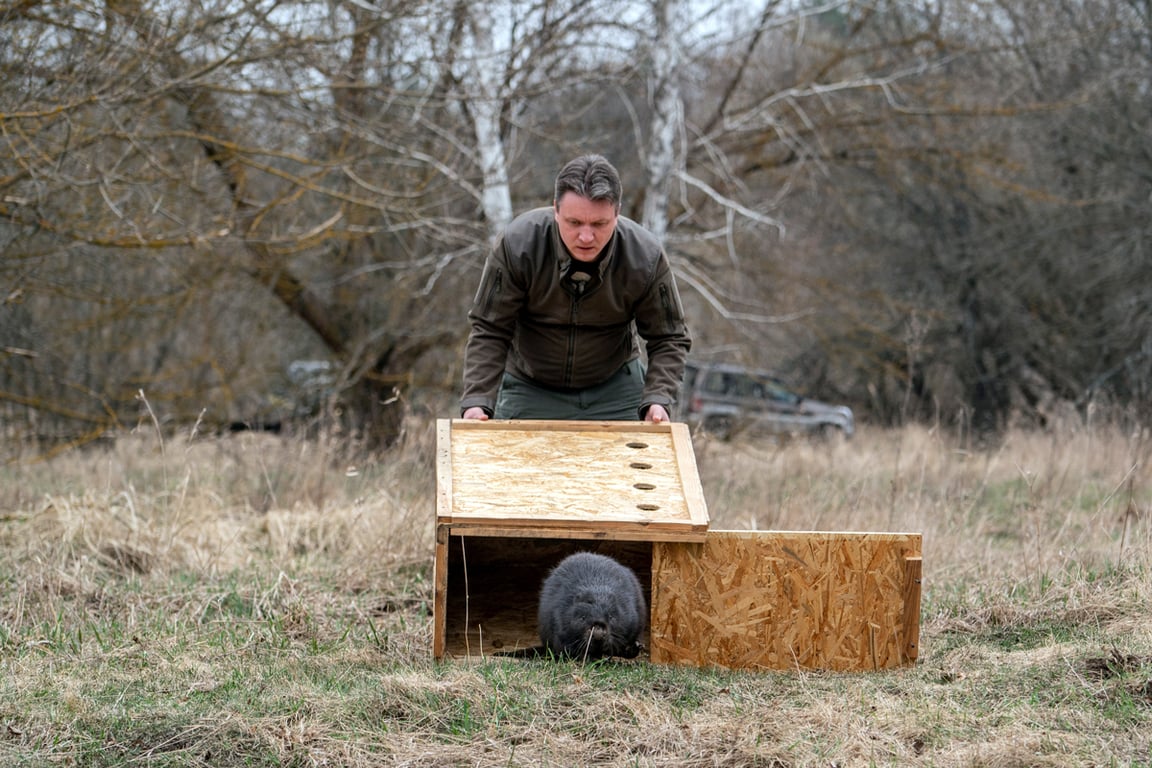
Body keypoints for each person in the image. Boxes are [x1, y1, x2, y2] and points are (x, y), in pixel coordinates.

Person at [460, 154, 691, 422]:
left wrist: (658, 399)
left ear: (617, 213)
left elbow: (669, 337)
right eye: (574, 223)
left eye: (599, 224)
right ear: (556, 210)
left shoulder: (645, 257)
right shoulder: (517, 245)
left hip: (615, 386)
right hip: (530, 383)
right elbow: (490, 328)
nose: (585, 237)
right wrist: (477, 402)